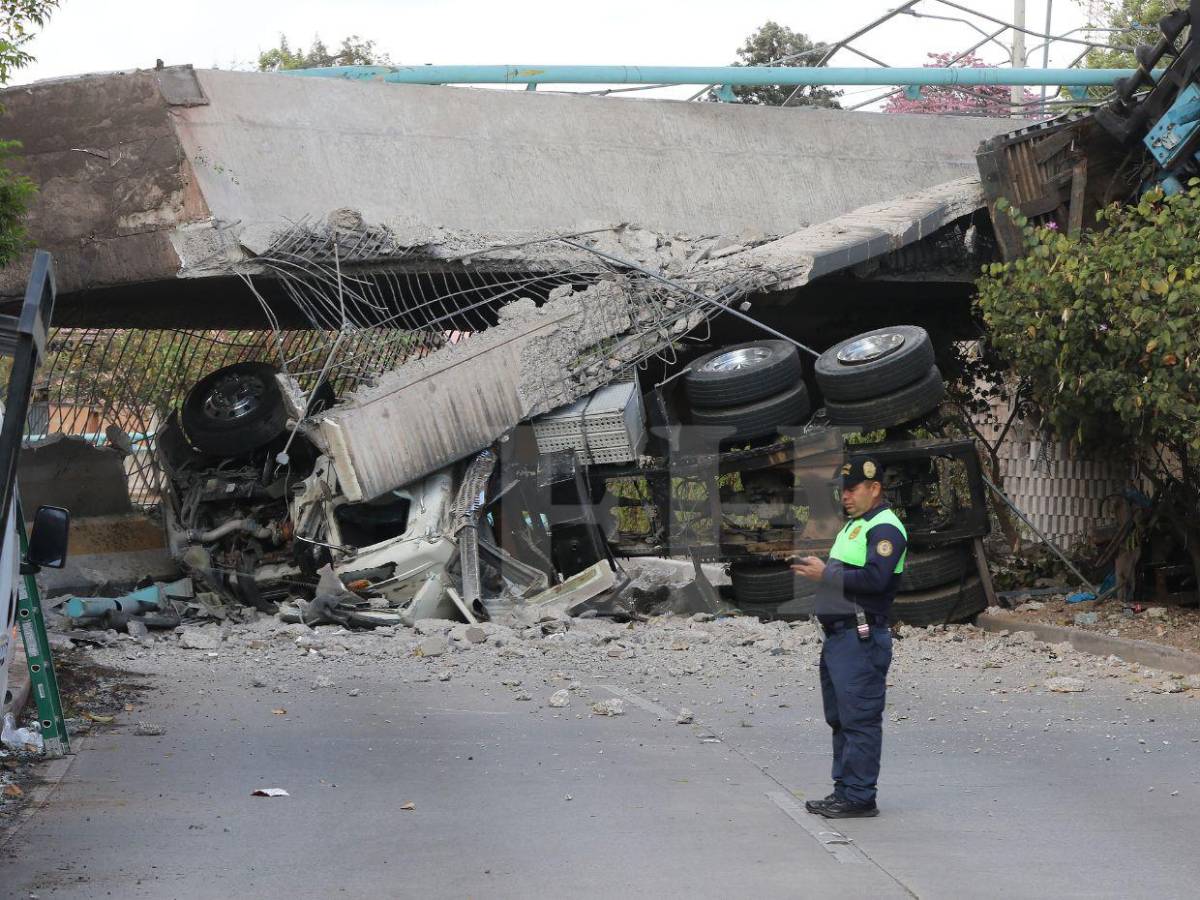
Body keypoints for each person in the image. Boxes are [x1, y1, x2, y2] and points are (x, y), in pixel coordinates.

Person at [791, 456, 907, 819]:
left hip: (861, 637)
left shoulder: (886, 528)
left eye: (853, 489)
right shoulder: (856, 526)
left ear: (875, 488)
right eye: (842, 490)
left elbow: (877, 580)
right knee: (841, 717)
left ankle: (859, 796)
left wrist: (825, 574)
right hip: (840, 638)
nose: (845, 496)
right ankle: (844, 789)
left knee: (860, 718)